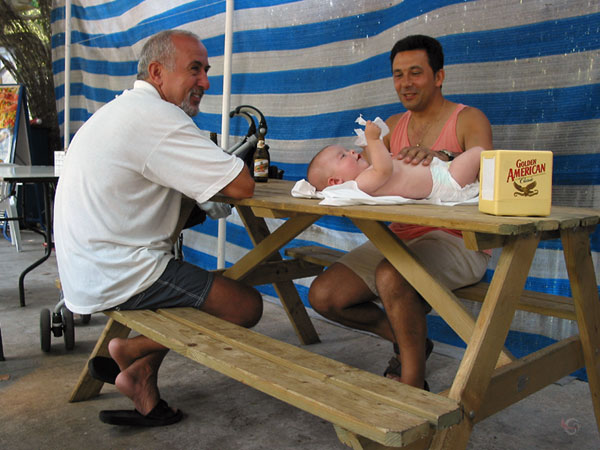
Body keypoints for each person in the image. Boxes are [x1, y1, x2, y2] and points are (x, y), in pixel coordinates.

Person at [54, 30, 263, 427]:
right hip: (120, 271)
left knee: (199, 292)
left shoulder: (120, 110)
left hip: (88, 268)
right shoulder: (160, 117)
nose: (205, 81)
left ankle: (140, 382)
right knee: (245, 305)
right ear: (157, 72)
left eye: (206, 70)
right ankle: (132, 351)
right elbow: (241, 186)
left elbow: (201, 196)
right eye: (195, 69)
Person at [308, 35, 493, 390]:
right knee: (325, 296)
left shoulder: (468, 119)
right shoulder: (393, 123)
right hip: (401, 236)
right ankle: (408, 341)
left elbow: (491, 171)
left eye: (415, 73)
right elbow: (371, 180)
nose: (405, 83)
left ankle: (412, 384)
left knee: (392, 276)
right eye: (398, 75)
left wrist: (446, 158)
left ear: (438, 76)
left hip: (459, 241)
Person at [307, 120, 483, 202]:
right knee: (478, 153)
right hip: (447, 181)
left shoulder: (367, 176)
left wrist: (368, 144)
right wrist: (374, 140)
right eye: (343, 155)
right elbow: (384, 169)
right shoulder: (361, 184)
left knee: (478, 159)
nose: (351, 151)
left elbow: (379, 162)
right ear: (336, 181)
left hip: (444, 172)